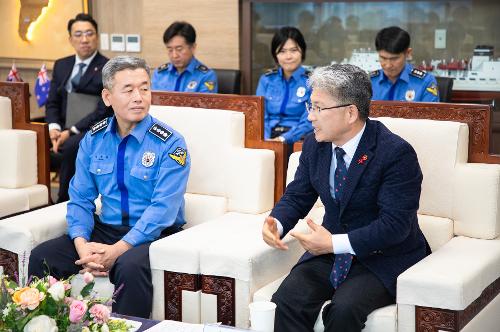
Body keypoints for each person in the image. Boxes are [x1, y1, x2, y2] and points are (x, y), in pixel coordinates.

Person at [262, 64, 430, 332]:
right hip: (329, 251)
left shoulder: (396, 153)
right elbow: (298, 194)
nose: (310, 117)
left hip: (381, 255)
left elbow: (395, 225)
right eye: (310, 106)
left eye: (318, 108)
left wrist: (333, 243)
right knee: (286, 301)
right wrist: (277, 223)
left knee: (343, 311)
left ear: (350, 112)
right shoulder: (315, 145)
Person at [28, 56, 191, 318]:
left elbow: (163, 209)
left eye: (145, 88)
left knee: (128, 266)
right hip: (107, 228)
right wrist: (82, 246)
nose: (139, 97)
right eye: (128, 90)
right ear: (107, 97)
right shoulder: (93, 140)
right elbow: (80, 199)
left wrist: (117, 251)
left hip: (157, 234)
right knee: (42, 257)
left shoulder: (170, 144)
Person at [46, 13, 112, 203]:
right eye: (78, 34)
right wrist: (54, 129)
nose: (84, 39)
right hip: (62, 128)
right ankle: (40, 200)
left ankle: (65, 200)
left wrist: (70, 131)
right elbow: (52, 102)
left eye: (89, 34)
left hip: (93, 127)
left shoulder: (107, 67)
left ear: (97, 37)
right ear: (70, 39)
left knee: (72, 146)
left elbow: (103, 110)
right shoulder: (61, 65)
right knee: (33, 142)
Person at [256, 26, 312, 144]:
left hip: (298, 139)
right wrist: (265, 140)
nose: (288, 56)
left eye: (293, 50)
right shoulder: (266, 80)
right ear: (275, 55)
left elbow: (309, 120)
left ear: (302, 51)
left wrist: (283, 139)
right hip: (267, 135)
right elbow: (260, 115)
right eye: (282, 51)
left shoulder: (312, 81)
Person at [370, 26, 439, 102]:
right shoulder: (369, 81)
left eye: (394, 59)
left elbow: (430, 113)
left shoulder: (425, 83)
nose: (388, 65)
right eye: (383, 58)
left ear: (408, 53)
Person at [151, 21, 218, 93]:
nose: (174, 55)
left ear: (193, 47)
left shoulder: (206, 76)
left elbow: (204, 103)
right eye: (170, 50)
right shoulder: (159, 74)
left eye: (179, 49)